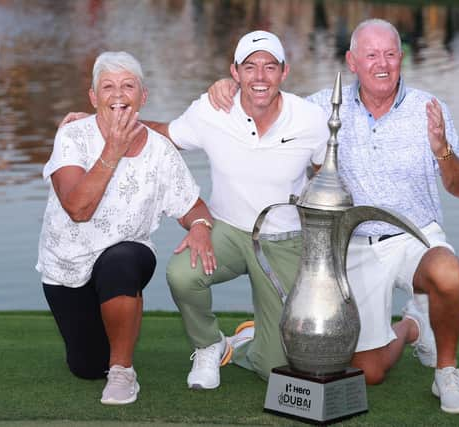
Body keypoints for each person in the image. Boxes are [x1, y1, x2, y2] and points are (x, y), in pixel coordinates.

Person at [208, 19, 459, 414]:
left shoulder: (428, 109)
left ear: (401, 58)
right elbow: (264, 105)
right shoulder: (319, 108)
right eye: (370, 55)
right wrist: (230, 87)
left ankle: (447, 372)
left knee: (448, 272)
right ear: (352, 61)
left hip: (413, 236)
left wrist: (442, 150)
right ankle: (414, 326)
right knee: (369, 371)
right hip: (352, 247)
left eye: (389, 54)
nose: (381, 64)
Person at [137, 30, 328, 390]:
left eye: (270, 67)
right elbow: (165, 135)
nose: (260, 77)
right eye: (250, 67)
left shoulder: (310, 119)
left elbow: (326, 176)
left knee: (274, 370)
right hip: (226, 231)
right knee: (182, 274)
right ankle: (209, 345)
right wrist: (103, 122)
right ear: (234, 72)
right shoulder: (212, 110)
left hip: (284, 241)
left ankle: (242, 345)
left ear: (284, 72)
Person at [37, 51, 215, 405]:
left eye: (128, 85)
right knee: (87, 366)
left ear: (142, 96)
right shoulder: (72, 136)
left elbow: (192, 205)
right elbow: (77, 208)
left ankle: (123, 371)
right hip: (67, 267)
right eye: (108, 86)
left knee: (121, 261)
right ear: (93, 97)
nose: (118, 94)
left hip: (125, 255)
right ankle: (108, 355)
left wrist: (199, 226)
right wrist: (112, 151)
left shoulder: (160, 151)